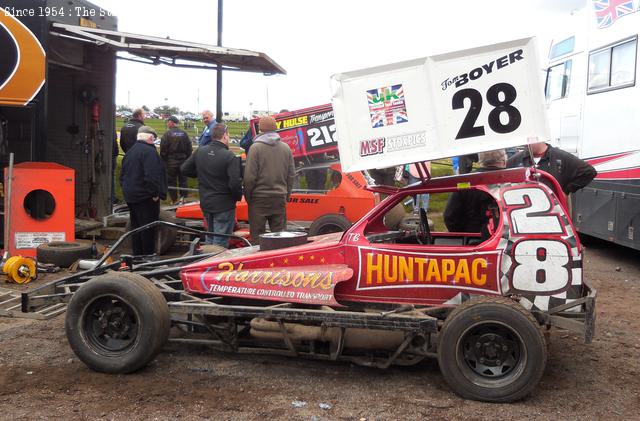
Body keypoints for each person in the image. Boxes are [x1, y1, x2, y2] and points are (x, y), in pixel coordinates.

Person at [181, 124, 242, 248]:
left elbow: (184, 169)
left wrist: (200, 174)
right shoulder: (229, 156)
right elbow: (234, 182)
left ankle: (206, 263)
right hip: (224, 204)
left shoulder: (200, 151)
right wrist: (237, 197)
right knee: (220, 241)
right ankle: (215, 264)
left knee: (210, 236)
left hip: (206, 201)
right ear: (225, 136)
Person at [243, 116, 295, 243]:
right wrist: (286, 195)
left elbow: (249, 177)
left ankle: (259, 262)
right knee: (280, 237)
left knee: (257, 238)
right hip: (279, 198)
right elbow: (291, 175)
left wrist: (248, 197)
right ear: (275, 129)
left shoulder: (255, 148)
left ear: (260, 129)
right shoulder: (286, 148)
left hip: (258, 199)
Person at [120, 126, 167, 255]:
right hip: (145, 198)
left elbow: (122, 176)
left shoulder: (130, 152)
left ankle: (137, 256)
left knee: (135, 228)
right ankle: (147, 258)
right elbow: (152, 176)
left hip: (132, 196)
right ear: (151, 138)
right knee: (147, 229)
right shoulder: (149, 152)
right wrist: (155, 193)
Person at [444, 149, 506, 237]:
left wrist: (464, 235)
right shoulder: (513, 181)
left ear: (480, 161)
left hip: (473, 238)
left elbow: (450, 217)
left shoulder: (464, 183)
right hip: (507, 236)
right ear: (503, 161)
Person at [507, 142, 597, 195]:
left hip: (553, 213)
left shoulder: (560, 156)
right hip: (523, 214)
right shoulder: (516, 159)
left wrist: (566, 191)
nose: (526, 144)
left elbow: (589, 172)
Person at [160, 115, 192, 204]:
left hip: (171, 162)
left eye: (168, 122)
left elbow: (163, 149)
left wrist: (164, 160)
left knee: (171, 181)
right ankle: (183, 198)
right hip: (183, 161)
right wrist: (187, 159)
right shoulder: (184, 134)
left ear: (172, 123)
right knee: (183, 181)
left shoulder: (167, 134)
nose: (167, 124)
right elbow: (189, 148)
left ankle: (174, 200)